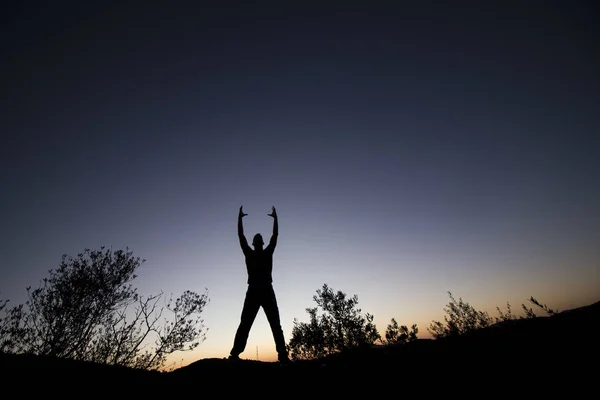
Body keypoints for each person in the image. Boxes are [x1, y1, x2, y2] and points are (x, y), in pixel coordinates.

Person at [228, 205, 290, 364]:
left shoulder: (256, 253)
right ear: (261, 243)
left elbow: (242, 236)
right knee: (252, 324)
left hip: (262, 291)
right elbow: (273, 236)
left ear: (255, 243)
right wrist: (276, 219)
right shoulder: (262, 252)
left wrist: (240, 219)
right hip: (258, 291)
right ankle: (236, 354)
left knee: (265, 324)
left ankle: (282, 356)